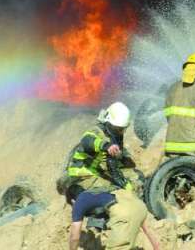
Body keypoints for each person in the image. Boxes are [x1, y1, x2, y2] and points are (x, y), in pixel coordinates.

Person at [60, 101, 149, 249]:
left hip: (97, 173)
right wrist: (105, 146)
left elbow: (113, 163)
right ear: (108, 122)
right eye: (118, 129)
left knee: (131, 179)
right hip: (81, 176)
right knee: (114, 193)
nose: (121, 132)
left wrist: (124, 162)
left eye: (123, 129)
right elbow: (87, 141)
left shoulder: (114, 134)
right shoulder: (96, 131)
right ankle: (97, 223)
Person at [58, 180, 148, 250]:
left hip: (124, 213)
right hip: (138, 204)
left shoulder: (79, 202)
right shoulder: (96, 193)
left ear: (73, 201)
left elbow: (74, 237)